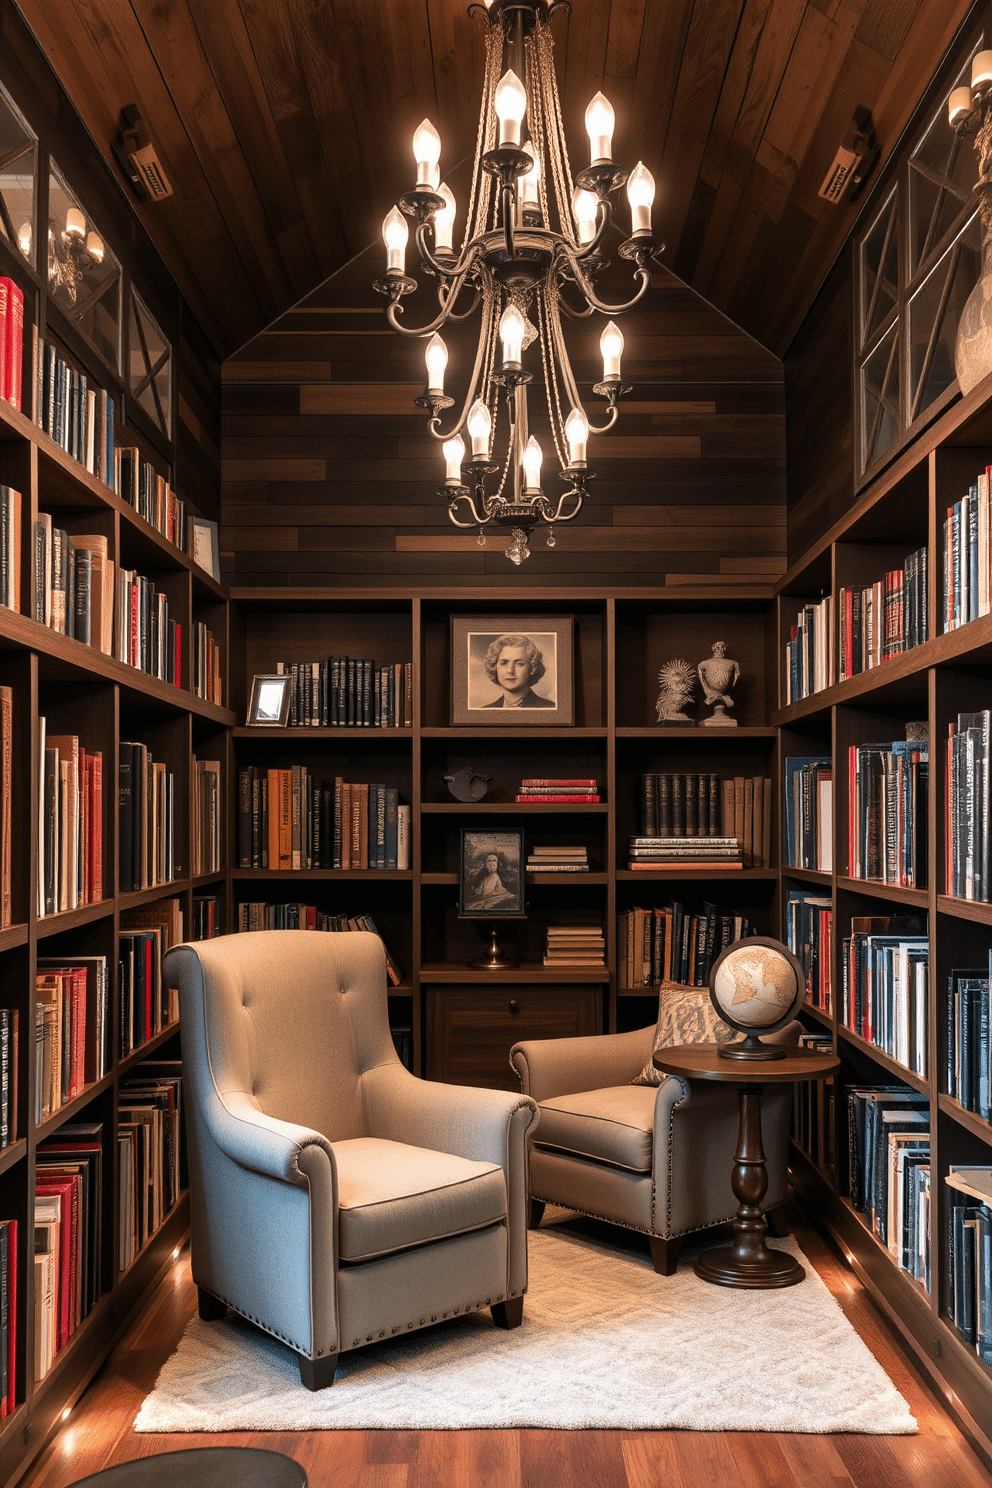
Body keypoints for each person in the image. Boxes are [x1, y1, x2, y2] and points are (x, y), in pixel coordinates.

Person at [482, 633, 555, 708]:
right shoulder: (485, 710)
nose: (510, 671)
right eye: (504, 663)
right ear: (494, 667)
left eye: (519, 664)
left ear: (532, 668)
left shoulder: (549, 707)